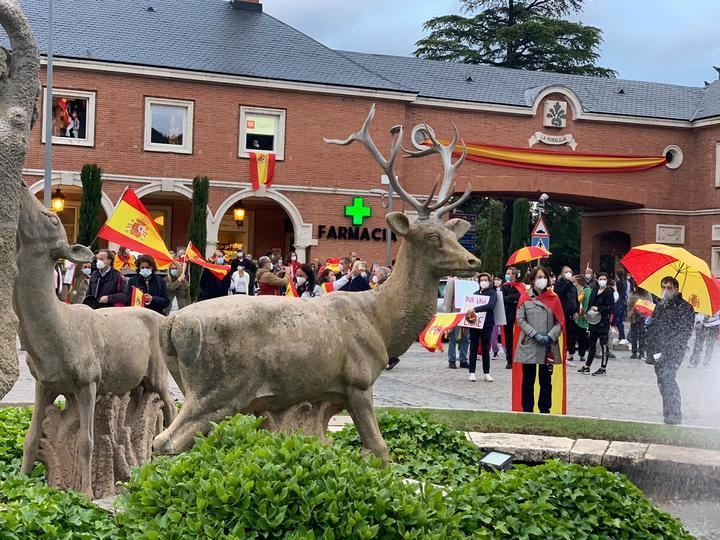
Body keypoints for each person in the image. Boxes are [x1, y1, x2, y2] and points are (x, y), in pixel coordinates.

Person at [645, 276, 695, 424]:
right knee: (662, 381)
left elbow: (684, 332)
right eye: (663, 287)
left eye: (669, 288)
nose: (665, 291)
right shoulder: (660, 305)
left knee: (668, 379)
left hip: (673, 351)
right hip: (657, 350)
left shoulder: (685, 307)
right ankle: (668, 412)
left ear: (676, 289)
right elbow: (655, 328)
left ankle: (674, 414)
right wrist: (650, 324)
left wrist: (668, 349)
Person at [514, 266, 563, 414]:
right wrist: (534, 334)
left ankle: (544, 409)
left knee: (546, 380)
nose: (542, 280)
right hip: (529, 343)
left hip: (548, 345)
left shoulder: (553, 298)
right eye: (539, 277)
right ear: (533, 279)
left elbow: (560, 321)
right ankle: (527, 409)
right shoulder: (525, 297)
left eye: (544, 277)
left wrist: (550, 336)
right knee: (528, 379)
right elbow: (520, 319)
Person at [578, 272, 615, 376]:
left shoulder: (609, 292)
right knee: (592, 344)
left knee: (603, 345)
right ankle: (587, 366)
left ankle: (603, 368)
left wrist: (599, 308)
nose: (602, 280)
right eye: (600, 278)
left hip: (603, 322)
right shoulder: (594, 290)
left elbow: (611, 308)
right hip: (593, 321)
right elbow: (590, 303)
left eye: (604, 279)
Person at [464, 272, 497, 382]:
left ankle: (486, 372)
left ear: (489, 281)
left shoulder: (492, 293)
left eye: (485, 280)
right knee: (473, 347)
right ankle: (472, 372)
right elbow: (468, 306)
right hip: (474, 324)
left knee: (485, 348)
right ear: (478, 282)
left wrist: (476, 309)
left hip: (487, 324)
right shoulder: (475, 294)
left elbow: (490, 306)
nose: (484, 282)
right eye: (481, 280)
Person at [554, 266, 579, 364]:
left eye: (570, 272)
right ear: (562, 273)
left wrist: (576, 310)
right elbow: (560, 294)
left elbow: (576, 299)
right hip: (562, 314)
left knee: (571, 335)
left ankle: (570, 355)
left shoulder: (573, 286)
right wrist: (569, 283)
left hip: (572, 314)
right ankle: (562, 355)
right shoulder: (559, 284)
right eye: (566, 272)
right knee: (562, 335)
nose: (568, 273)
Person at [443, 276, 469, 369]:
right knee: (453, 337)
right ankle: (452, 359)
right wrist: (448, 314)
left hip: (467, 313)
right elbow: (448, 298)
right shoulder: (452, 280)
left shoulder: (470, 280)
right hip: (455, 313)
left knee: (465, 337)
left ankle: (463, 359)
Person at [501, 267, 524, 369]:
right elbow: (502, 299)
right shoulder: (504, 287)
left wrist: (511, 299)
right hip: (507, 315)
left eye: (509, 273)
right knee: (509, 338)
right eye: (506, 273)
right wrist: (514, 299)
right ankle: (509, 359)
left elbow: (522, 296)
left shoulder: (520, 286)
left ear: (514, 275)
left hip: (518, 315)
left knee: (520, 337)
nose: (507, 275)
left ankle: (519, 358)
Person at [568, 274, 591, 366]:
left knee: (581, 337)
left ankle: (581, 354)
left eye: (575, 282)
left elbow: (586, 303)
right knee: (572, 337)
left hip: (582, 317)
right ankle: (571, 353)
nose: (574, 284)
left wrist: (583, 313)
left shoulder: (587, 290)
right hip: (575, 316)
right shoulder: (575, 290)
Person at [627, 283, 652, 360]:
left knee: (642, 336)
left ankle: (641, 352)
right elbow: (628, 304)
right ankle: (634, 352)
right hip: (634, 317)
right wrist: (634, 305)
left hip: (643, 317)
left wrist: (643, 306)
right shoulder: (633, 294)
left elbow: (650, 304)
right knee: (634, 335)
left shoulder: (647, 294)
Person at [614, 268, 630, 344]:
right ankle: (621, 336)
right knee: (620, 319)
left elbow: (617, 292)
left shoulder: (619, 282)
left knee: (618, 320)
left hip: (619, 302)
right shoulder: (625, 282)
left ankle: (622, 336)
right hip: (623, 301)